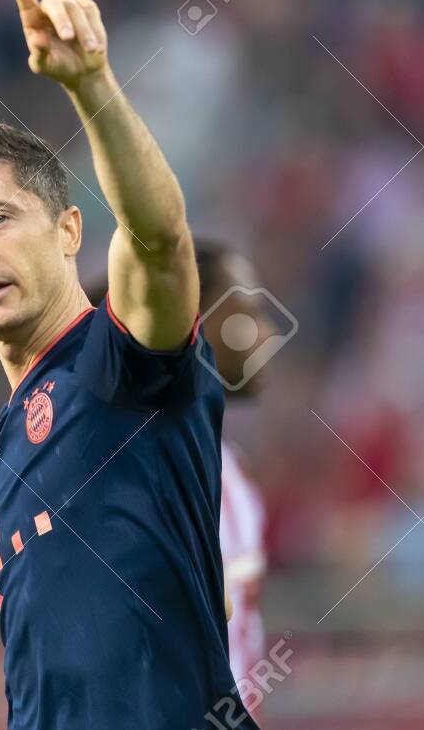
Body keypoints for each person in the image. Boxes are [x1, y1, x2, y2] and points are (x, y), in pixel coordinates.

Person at [0, 0, 257, 729]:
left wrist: (90, 85)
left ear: (68, 231)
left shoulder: (118, 365)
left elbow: (159, 239)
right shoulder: (8, 446)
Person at [86, 239, 274, 717]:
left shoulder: (229, 469)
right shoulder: (135, 471)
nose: (268, 333)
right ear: (191, 320)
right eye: (247, 312)